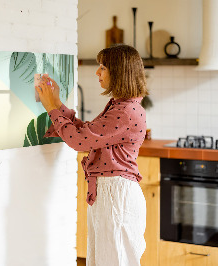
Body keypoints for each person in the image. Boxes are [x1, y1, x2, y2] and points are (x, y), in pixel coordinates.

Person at [36, 44, 148, 266]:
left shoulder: (125, 111)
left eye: (103, 67)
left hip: (116, 195)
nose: (97, 72)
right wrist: (57, 103)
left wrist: (51, 108)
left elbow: (79, 141)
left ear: (119, 72)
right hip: (111, 193)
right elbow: (87, 133)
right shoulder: (121, 106)